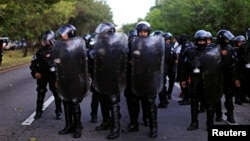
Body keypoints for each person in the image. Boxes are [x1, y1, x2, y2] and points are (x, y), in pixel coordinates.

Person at [180, 30, 223, 131]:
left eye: (204, 41)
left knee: (209, 103)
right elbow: (184, 66)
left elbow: (218, 66)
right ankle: (194, 122)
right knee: (194, 103)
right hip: (195, 81)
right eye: (200, 41)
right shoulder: (190, 51)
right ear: (196, 41)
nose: (202, 43)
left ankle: (210, 123)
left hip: (208, 81)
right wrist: (183, 79)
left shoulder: (212, 51)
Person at [128, 21, 165, 138]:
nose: (143, 34)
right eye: (140, 32)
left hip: (149, 78)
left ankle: (153, 126)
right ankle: (134, 124)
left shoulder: (154, 44)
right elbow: (125, 57)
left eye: (145, 32)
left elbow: (159, 60)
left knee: (150, 102)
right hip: (134, 78)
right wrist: (129, 61)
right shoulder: (131, 44)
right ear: (137, 32)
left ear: (148, 32)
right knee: (133, 102)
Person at [92, 22, 128, 139]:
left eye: (105, 33)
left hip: (114, 77)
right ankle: (106, 122)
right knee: (103, 101)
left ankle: (116, 128)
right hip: (102, 76)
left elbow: (124, 59)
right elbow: (94, 58)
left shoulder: (118, 44)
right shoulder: (98, 44)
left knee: (113, 101)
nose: (103, 35)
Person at [53, 24, 90, 138]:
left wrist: (84, 78)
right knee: (65, 100)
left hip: (76, 78)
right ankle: (68, 125)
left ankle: (78, 127)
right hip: (64, 77)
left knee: (74, 102)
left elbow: (84, 64)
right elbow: (57, 64)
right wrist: (57, 79)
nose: (62, 35)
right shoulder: (59, 46)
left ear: (71, 33)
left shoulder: (78, 46)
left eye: (64, 33)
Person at [29, 30, 62, 120]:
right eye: (44, 40)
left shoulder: (57, 51)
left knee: (56, 93)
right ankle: (39, 111)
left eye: (46, 40)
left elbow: (61, 65)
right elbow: (33, 64)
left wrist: (58, 79)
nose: (44, 42)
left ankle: (59, 112)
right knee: (41, 92)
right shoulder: (39, 52)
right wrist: (35, 72)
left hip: (53, 75)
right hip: (42, 75)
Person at [122, 29, 150, 134]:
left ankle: (147, 119)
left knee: (146, 102)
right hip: (131, 80)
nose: (135, 39)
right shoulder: (126, 49)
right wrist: (127, 62)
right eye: (132, 38)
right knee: (132, 103)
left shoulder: (148, 47)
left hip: (144, 79)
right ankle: (133, 123)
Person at [214, 29, 239, 124]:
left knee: (229, 97)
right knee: (217, 97)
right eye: (226, 39)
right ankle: (219, 114)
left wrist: (235, 78)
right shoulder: (215, 48)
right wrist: (219, 54)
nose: (228, 40)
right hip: (218, 75)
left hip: (228, 76)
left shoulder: (230, 49)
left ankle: (230, 114)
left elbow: (234, 64)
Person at [83, 33, 99, 123]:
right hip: (96, 77)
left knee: (107, 99)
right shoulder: (91, 51)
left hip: (106, 78)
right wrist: (89, 72)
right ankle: (94, 115)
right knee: (95, 97)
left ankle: (108, 119)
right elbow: (89, 63)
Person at [177, 34, 193, 105]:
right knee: (183, 82)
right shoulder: (185, 45)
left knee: (185, 83)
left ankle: (187, 98)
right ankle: (185, 97)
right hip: (183, 67)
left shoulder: (187, 46)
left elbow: (186, 58)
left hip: (185, 68)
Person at [233, 35, 249, 105]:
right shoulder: (235, 50)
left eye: (242, 42)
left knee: (246, 83)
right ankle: (238, 98)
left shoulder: (246, 48)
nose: (240, 43)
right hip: (238, 67)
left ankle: (243, 97)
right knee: (239, 83)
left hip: (246, 68)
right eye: (239, 42)